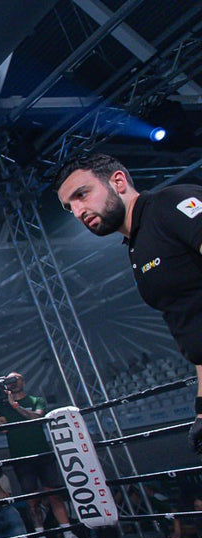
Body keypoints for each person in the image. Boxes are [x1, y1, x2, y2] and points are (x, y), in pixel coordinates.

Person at [53, 153, 202, 454]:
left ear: (118, 182)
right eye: (70, 207)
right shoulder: (137, 246)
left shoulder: (170, 204)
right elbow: (193, 330)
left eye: (82, 195)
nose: (79, 211)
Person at [0, 373, 91, 538]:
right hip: (21, 457)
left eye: (15, 380)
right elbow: (3, 428)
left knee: (54, 495)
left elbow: (37, 418)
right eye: (9, 382)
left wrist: (15, 405)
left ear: (23, 381)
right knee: (32, 501)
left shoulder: (35, 400)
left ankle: (68, 534)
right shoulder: (2, 405)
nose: (12, 384)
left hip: (42, 453)